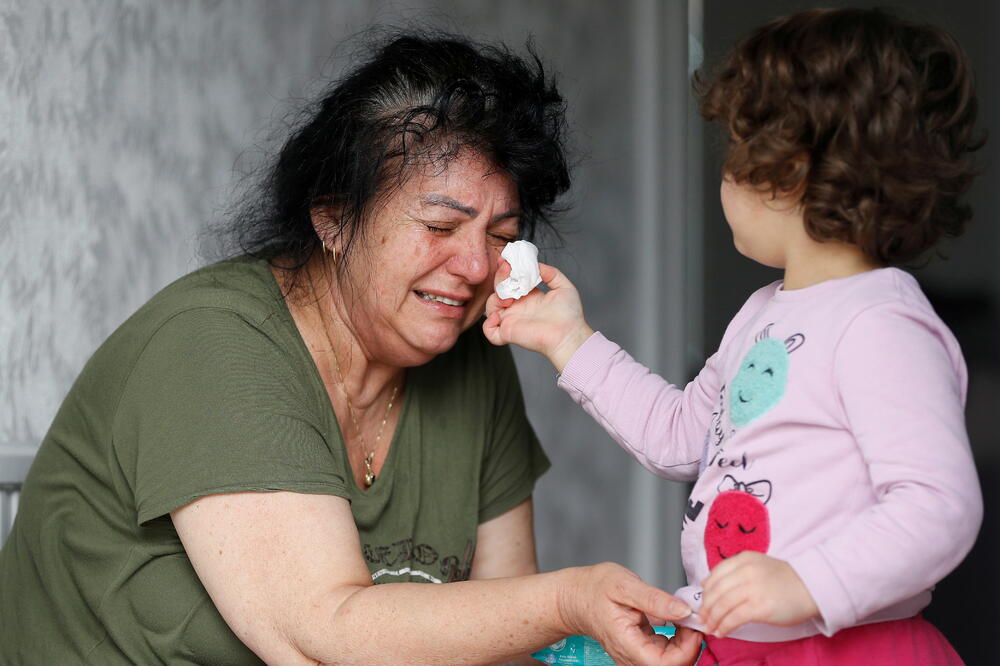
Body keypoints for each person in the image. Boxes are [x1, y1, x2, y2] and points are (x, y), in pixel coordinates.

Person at [0, 32, 703, 665]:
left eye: (499, 235)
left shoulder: (470, 354)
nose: (474, 267)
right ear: (334, 217)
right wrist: (567, 603)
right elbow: (322, 635)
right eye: (439, 225)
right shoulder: (213, 344)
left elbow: (494, 642)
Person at [484, 8, 983, 665]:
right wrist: (568, 338)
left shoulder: (881, 326)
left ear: (791, 171)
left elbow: (937, 506)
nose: (724, 176)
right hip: (744, 646)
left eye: (735, 155)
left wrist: (808, 582)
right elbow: (679, 434)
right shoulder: (763, 313)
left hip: (845, 651)